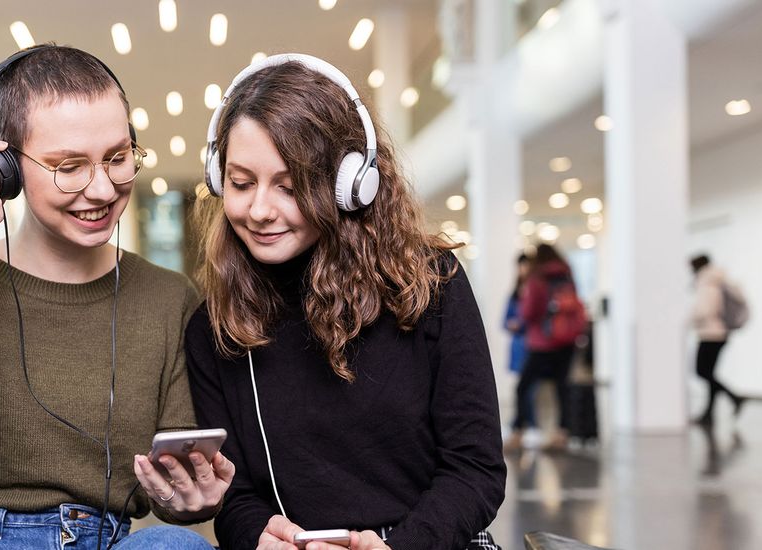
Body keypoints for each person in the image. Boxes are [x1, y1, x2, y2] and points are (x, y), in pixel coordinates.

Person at [0, 45, 231, 550]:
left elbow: (175, 477)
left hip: (110, 537)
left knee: (178, 545)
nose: (104, 189)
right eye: (70, 166)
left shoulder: (169, 298)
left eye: (118, 158)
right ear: (5, 169)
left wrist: (190, 499)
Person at [185, 54, 505, 550]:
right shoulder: (215, 326)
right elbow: (237, 496)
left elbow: (475, 470)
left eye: (290, 187)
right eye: (241, 183)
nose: (260, 210)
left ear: (350, 184)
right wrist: (255, 535)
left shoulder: (430, 282)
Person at [505, 244, 584, 453]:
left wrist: (520, 321)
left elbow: (530, 311)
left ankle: (517, 432)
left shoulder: (536, 277)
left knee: (523, 386)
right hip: (567, 341)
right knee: (562, 386)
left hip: (542, 342)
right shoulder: (566, 274)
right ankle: (562, 433)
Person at [690, 254, 746, 425]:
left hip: (711, 333)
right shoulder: (718, 280)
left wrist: (689, 319)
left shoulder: (708, 282)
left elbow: (706, 310)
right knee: (709, 373)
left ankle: (735, 397)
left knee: (702, 371)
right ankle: (709, 413)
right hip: (719, 333)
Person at [502, 254, 534, 428]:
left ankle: (523, 424)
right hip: (519, 345)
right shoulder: (515, 293)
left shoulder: (535, 290)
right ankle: (524, 424)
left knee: (527, 388)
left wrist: (521, 323)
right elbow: (505, 320)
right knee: (523, 387)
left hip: (532, 346)